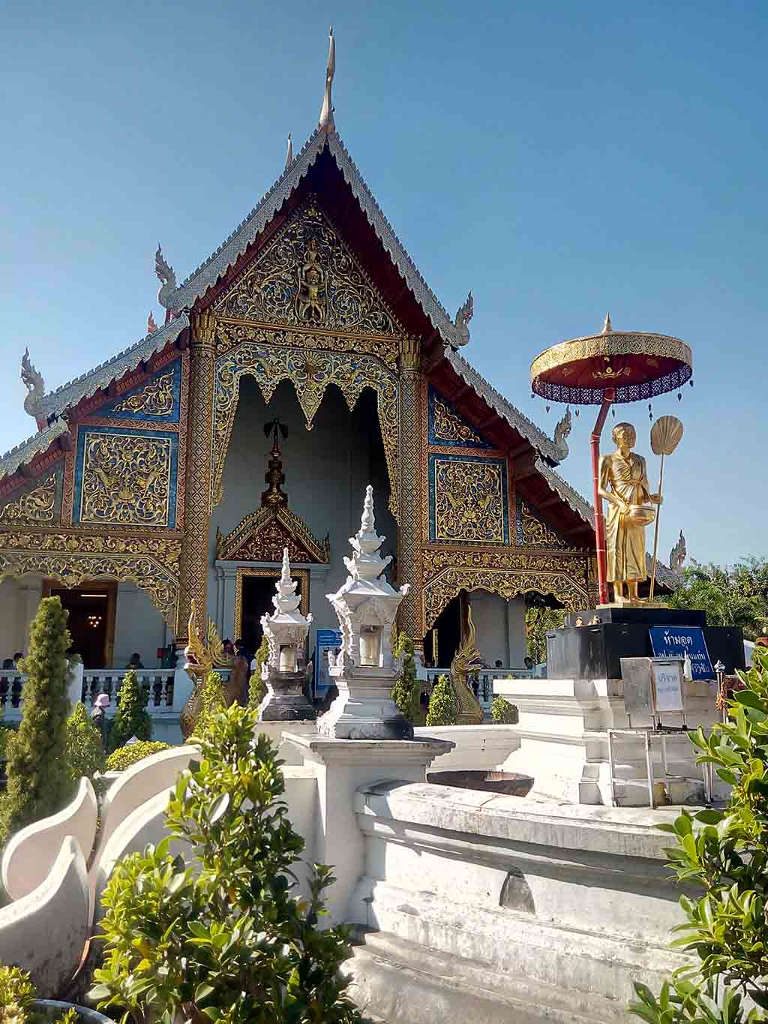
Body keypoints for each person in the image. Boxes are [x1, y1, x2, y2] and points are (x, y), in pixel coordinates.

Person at [598, 421, 661, 602]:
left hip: (636, 510)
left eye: (632, 435)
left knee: (635, 550)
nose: (630, 438)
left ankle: (633, 594)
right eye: (625, 436)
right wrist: (618, 502)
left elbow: (644, 488)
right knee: (617, 549)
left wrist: (652, 498)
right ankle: (618, 594)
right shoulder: (607, 460)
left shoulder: (640, 460)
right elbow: (601, 489)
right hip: (618, 511)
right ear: (616, 439)